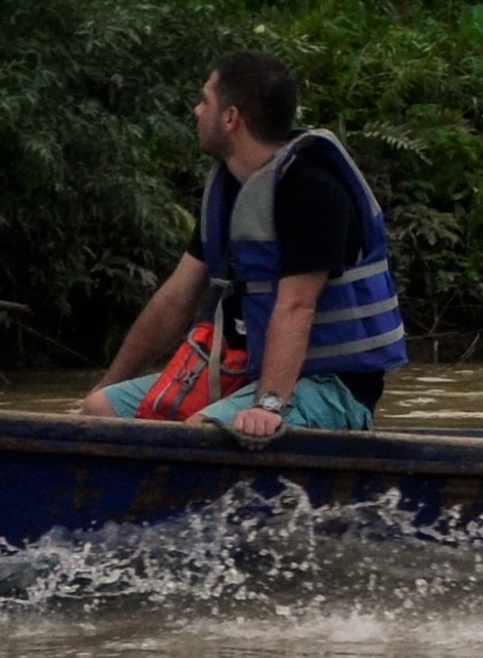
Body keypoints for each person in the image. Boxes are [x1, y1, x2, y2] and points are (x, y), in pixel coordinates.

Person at [78, 51, 407, 444]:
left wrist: (268, 405)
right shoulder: (230, 192)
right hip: (247, 376)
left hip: (331, 386)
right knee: (102, 412)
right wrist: (100, 390)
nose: (196, 111)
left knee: (202, 434)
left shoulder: (314, 191)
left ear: (231, 118)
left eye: (205, 101)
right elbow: (175, 300)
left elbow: (296, 306)